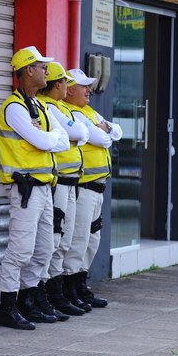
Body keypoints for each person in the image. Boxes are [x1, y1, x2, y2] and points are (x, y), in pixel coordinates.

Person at [0, 46, 70, 330]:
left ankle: (29, 301)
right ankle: (7, 307)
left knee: (44, 248)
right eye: (41, 67)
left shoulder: (39, 106)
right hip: (24, 189)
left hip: (43, 188)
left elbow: (60, 142)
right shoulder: (14, 107)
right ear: (28, 70)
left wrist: (47, 137)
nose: (46, 71)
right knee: (20, 250)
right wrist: (48, 138)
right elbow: (45, 142)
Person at [60, 68, 122, 310]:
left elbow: (116, 131)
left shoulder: (88, 112)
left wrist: (105, 130)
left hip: (97, 187)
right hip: (83, 186)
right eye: (84, 86)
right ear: (69, 89)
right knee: (78, 238)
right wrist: (104, 130)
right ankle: (69, 287)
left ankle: (80, 284)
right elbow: (104, 138)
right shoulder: (72, 113)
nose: (89, 90)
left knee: (92, 239)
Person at [36, 62, 90, 318]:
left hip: (69, 183)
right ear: (58, 85)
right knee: (55, 240)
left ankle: (56, 292)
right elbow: (77, 133)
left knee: (64, 239)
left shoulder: (58, 108)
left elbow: (80, 133)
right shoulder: (48, 107)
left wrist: (74, 133)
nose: (68, 87)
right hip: (58, 183)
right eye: (65, 83)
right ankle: (50, 293)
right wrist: (73, 134)